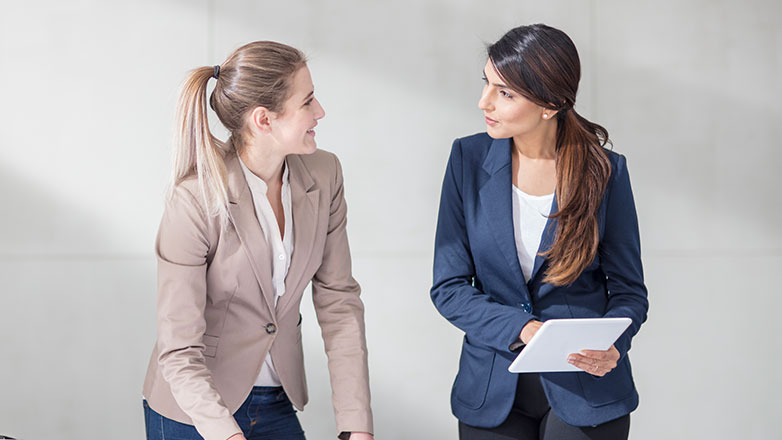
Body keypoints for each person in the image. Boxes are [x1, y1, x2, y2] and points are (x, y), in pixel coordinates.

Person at [141, 41, 373, 440]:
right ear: (264, 120)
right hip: (195, 412)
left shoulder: (325, 173)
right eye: (308, 102)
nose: (320, 112)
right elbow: (178, 350)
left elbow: (339, 302)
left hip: (276, 400)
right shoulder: (195, 199)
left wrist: (356, 424)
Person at [430, 24, 648, 440]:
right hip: (492, 389)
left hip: (586, 390)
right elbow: (449, 286)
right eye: (487, 85)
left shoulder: (605, 171)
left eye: (505, 93)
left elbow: (629, 291)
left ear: (549, 104)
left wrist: (615, 344)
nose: (484, 102)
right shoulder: (467, 159)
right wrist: (522, 329)